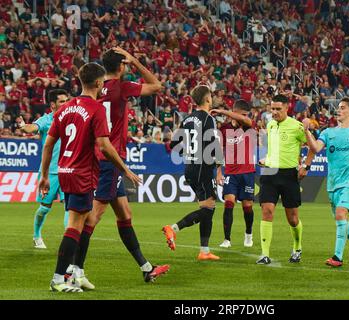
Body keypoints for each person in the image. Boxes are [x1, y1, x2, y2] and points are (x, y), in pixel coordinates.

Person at [39, 63, 142, 293]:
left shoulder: (64, 108)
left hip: (64, 172)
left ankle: (74, 274)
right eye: (103, 81)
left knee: (79, 222)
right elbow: (105, 146)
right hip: (82, 173)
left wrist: (45, 176)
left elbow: (48, 144)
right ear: (98, 83)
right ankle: (59, 279)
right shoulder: (96, 109)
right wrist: (124, 169)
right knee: (76, 226)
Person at [70, 47, 167, 289]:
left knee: (124, 214)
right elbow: (156, 86)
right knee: (92, 217)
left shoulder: (94, 88)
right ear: (122, 66)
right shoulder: (122, 87)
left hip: (96, 156)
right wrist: (136, 60)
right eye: (125, 64)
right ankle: (75, 270)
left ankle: (146, 268)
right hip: (110, 159)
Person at [303, 97, 349, 267]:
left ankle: (337, 257)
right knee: (340, 219)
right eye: (338, 108)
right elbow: (315, 149)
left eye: (342, 108)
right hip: (333, 183)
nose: (338, 110)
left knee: (341, 214)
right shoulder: (328, 133)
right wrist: (307, 130)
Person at [163, 85, 223, 261]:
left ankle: (204, 251)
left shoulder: (188, 119)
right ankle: (173, 228)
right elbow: (214, 145)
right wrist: (219, 170)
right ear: (207, 99)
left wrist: (187, 150)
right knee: (209, 208)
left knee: (206, 208)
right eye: (210, 95)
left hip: (190, 167)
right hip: (202, 168)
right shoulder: (208, 119)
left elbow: (173, 144)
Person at [256, 94, 307, 265]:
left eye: (278, 109)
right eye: (272, 109)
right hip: (269, 173)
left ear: (287, 108)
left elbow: (313, 146)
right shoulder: (270, 125)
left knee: (292, 218)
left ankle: (297, 247)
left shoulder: (297, 126)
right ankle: (264, 254)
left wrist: (305, 166)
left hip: (289, 175)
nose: (274, 112)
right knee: (267, 211)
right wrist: (267, 159)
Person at [18, 89, 69, 249]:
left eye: (67, 100)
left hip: (68, 171)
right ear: (53, 104)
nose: (66, 103)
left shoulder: (72, 119)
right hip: (50, 173)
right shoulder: (46, 120)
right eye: (62, 101)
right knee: (44, 209)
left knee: (70, 207)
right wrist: (23, 127)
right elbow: (32, 128)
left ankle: (69, 243)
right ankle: (36, 235)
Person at [211, 100, 256, 248]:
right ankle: (227, 240)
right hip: (231, 173)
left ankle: (248, 234)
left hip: (247, 172)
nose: (245, 117)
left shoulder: (248, 125)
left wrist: (222, 111)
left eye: (246, 115)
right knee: (229, 203)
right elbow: (219, 150)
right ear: (235, 112)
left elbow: (245, 120)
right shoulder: (224, 129)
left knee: (247, 207)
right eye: (242, 114)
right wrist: (218, 172)